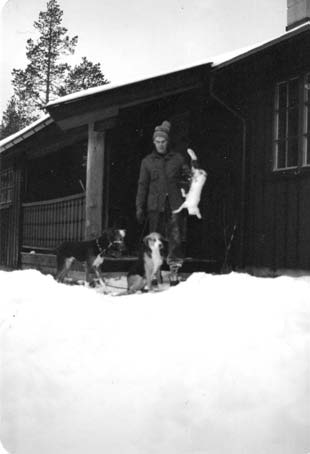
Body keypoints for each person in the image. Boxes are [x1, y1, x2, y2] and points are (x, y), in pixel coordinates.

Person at [135, 120, 197, 285]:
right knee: (155, 240)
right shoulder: (147, 162)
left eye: (163, 142)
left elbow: (189, 178)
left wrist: (190, 175)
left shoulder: (177, 158)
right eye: (158, 142)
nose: (161, 145)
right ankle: (155, 273)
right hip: (155, 206)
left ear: (167, 142)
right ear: (154, 142)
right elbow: (142, 185)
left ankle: (174, 271)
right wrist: (139, 207)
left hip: (175, 204)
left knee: (175, 238)